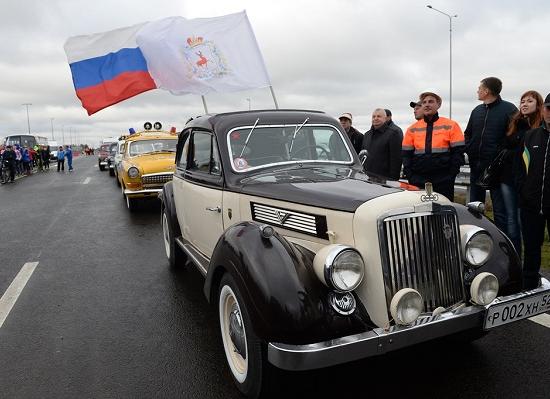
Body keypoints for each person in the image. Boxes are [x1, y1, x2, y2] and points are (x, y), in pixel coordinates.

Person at [464, 77, 518, 234]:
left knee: (500, 211)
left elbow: (515, 137)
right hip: (476, 166)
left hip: (498, 170)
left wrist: (500, 156)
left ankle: (501, 244)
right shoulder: (477, 111)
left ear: (486, 91)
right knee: (474, 208)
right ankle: (478, 241)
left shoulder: (509, 109)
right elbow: (468, 133)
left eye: (479, 88)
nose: (477, 91)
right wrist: (470, 148)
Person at [501, 91, 544, 255]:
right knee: (511, 220)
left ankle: (530, 259)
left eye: (530, 101)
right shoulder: (515, 124)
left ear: (538, 105)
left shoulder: (541, 128)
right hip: (508, 179)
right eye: (522, 101)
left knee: (526, 221)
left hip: (530, 183)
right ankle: (516, 259)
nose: (524, 104)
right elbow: (505, 147)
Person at [402, 91, 465, 201]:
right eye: (424, 102)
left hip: (443, 180)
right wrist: (410, 176)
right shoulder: (412, 129)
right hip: (418, 179)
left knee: (444, 211)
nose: (427, 104)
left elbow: (458, 153)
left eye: (431, 101)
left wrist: (451, 175)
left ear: (438, 105)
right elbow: (406, 155)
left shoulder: (451, 125)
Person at [517, 93, 550, 289]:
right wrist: (523, 191)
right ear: (544, 109)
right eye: (548, 108)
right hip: (530, 203)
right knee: (531, 247)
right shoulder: (531, 136)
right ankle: (528, 286)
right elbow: (519, 169)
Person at [362, 108, 402, 180]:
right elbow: (363, 156)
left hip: (385, 179)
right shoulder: (366, 135)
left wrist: (394, 180)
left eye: (379, 116)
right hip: (367, 178)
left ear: (385, 118)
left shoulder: (393, 134)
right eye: (373, 117)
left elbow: (396, 160)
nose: (375, 118)